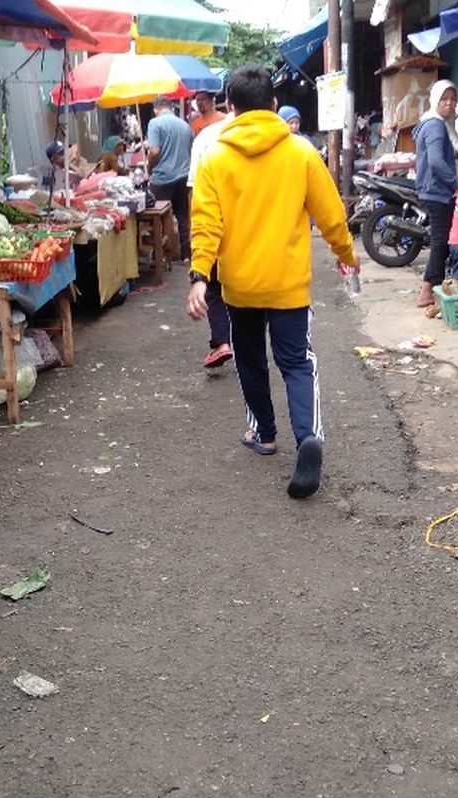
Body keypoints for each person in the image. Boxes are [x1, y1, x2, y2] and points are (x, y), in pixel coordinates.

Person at [186, 65, 357, 499]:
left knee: (249, 359)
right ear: (274, 106)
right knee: (297, 362)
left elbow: (206, 224)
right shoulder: (300, 152)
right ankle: (308, 438)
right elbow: (331, 213)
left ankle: (263, 434)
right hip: (288, 286)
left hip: (240, 286)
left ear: (230, 107)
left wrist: (199, 276)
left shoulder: (214, 157)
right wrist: (347, 256)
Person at [187, 111, 235, 370]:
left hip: (216, 227)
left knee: (215, 287)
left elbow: (195, 192)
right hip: (257, 234)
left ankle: (223, 342)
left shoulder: (206, 139)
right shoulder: (290, 144)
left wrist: (198, 273)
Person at [413, 80, 458, 308]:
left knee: (440, 242)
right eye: (444, 99)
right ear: (435, 100)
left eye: (453, 99)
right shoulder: (435, 125)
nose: (449, 103)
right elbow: (436, 161)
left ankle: (430, 289)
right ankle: (426, 291)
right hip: (438, 192)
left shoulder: (430, 122)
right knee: (440, 243)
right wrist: (456, 185)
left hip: (432, 191)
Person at [147, 97, 194, 262]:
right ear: (170, 107)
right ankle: (186, 254)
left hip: (162, 177)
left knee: (156, 217)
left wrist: (149, 168)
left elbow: (154, 151)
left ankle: (162, 254)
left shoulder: (155, 123)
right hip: (183, 176)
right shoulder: (185, 125)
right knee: (182, 215)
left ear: (155, 109)